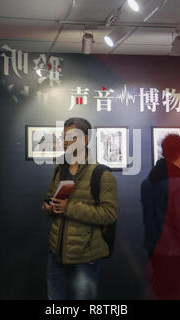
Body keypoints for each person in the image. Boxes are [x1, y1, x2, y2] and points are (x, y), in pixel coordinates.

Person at [42, 118, 118, 300]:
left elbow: (110, 214)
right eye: (64, 137)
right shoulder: (59, 169)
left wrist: (69, 208)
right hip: (56, 253)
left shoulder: (101, 174)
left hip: (86, 256)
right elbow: (49, 200)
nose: (66, 141)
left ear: (85, 139)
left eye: (70, 137)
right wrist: (48, 207)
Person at [141, 134, 180, 299]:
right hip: (173, 252)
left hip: (154, 249)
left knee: (160, 290)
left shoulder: (148, 183)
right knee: (170, 293)